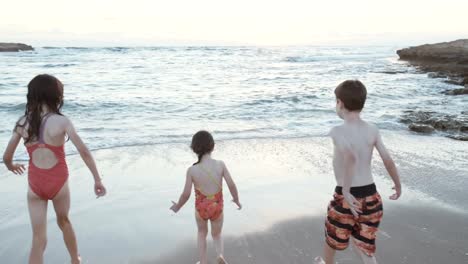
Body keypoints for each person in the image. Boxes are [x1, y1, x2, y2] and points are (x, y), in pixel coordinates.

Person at [2, 74, 106, 264]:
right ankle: (75, 259)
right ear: (56, 96)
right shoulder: (62, 121)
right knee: (64, 221)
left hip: (35, 185)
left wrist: (12, 166)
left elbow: (6, 157)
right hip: (58, 182)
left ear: (32, 95)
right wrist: (97, 179)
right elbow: (83, 151)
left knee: (38, 239)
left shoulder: (22, 122)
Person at [316, 80, 402, 264]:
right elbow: (388, 160)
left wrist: (346, 191)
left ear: (339, 103)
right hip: (371, 197)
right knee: (365, 244)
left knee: (333, 239)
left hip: (346, 198)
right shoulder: (372, 129)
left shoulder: (337, 131)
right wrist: (397, 184)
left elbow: (351, 158)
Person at [170, 130, 241, 264]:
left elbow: (186, 194)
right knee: (217, 234)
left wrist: (178, 206)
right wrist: (236, 199)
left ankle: (203, 262)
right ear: (213, 146)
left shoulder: (192, 170)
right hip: (217, 207)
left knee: (202, 233)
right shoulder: (220, 165)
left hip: (201, 209)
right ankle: (220, 255)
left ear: (194, 149)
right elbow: (231, 184)